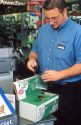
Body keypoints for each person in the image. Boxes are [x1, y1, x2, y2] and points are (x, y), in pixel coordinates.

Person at [27, 0, 81, 125]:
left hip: (68, 92)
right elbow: (34, 51)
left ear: (65, 12)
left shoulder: (78, 32)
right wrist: (32, 60)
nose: (51, 22)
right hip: (44, 88)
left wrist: (59, 75)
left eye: (54, 18)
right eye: (47, 18)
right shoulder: (43, 30)